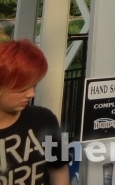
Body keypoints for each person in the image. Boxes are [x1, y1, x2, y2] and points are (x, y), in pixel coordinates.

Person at [0, 40, 71, 185]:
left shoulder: (46, 119)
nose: (31, 94)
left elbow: (59, 168)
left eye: (34, 85)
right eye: (22, 88)